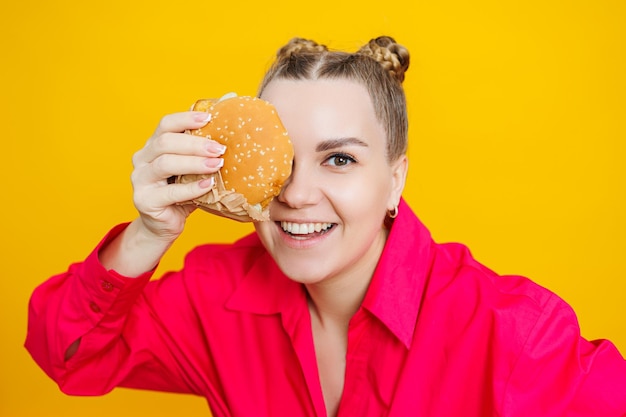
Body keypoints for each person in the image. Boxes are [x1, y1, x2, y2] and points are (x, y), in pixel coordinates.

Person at [25, 36, 626, 417]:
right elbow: (71, 357)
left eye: (339, 159)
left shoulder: (510, 332)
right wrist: (149, 233)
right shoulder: (213, 298)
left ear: (395, 180)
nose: (296, 193)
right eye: (282, 160)